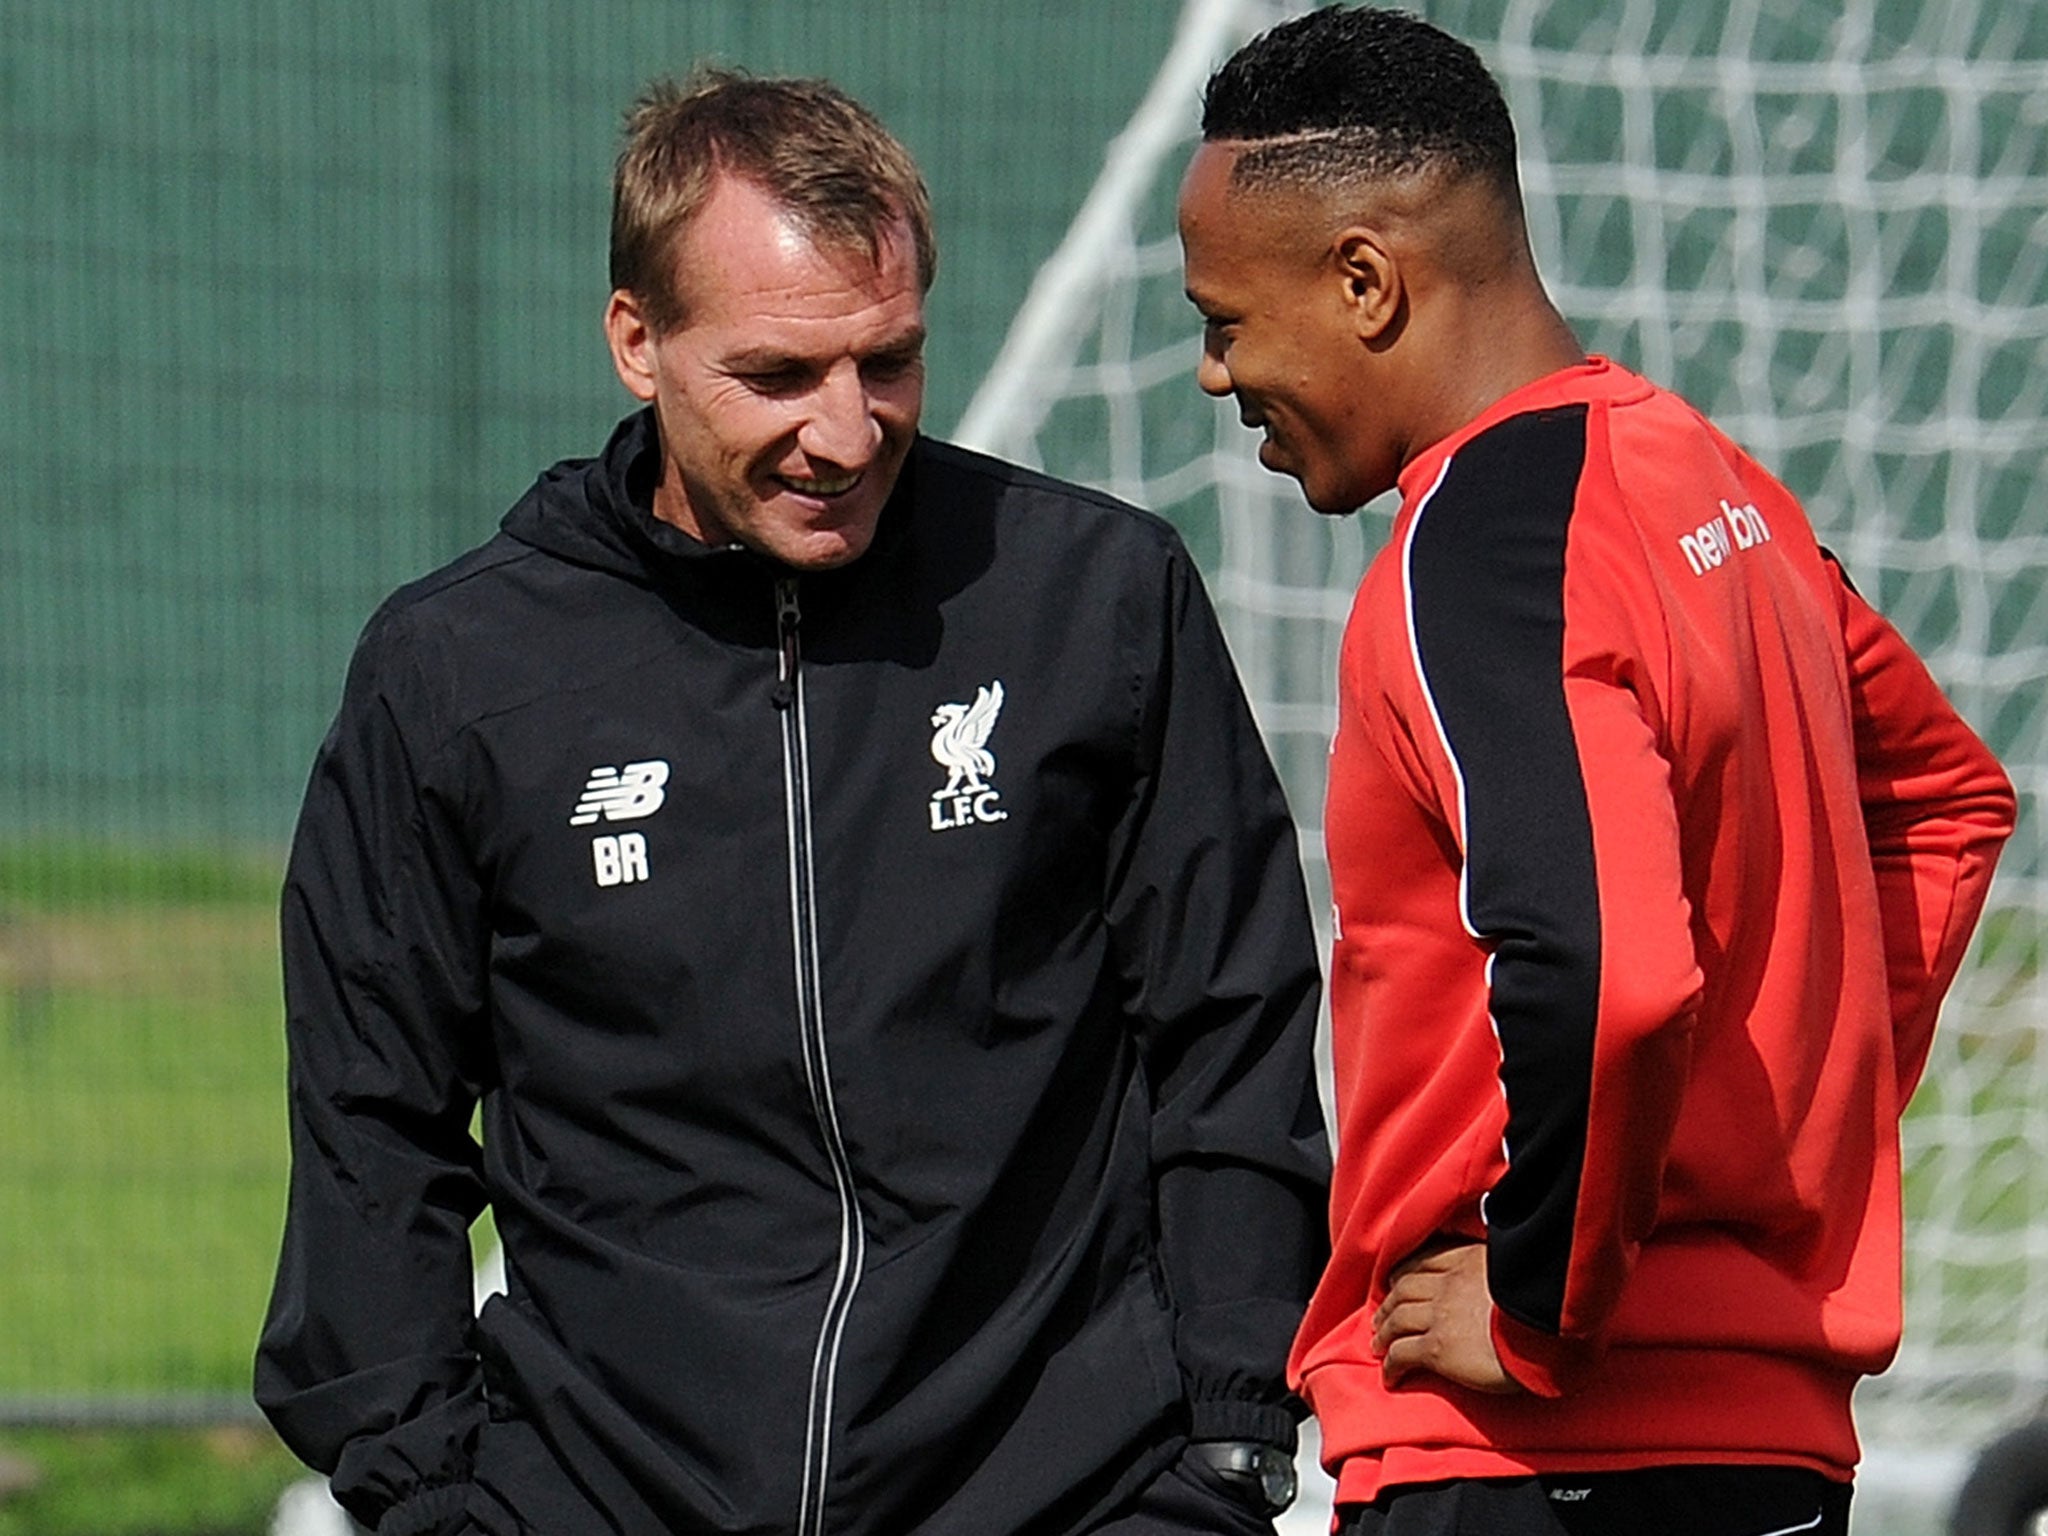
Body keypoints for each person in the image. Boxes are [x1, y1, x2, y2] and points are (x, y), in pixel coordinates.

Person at [256, 68, 1331, 1536]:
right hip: (608, 1496)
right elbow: (370, 1127)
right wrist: (431, 1495)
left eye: (887, 362)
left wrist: (1225, 1435)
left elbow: (1231, 1026)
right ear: (637, 340)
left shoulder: (1093, 603)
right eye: (777, 376)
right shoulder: (459, 676)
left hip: (1067, 1494)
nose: (845, 432)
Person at [1176, 9, 2016, 1536]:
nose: (1213, 374)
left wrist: (1540, 1305)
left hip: (1522, 1456)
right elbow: (1948, 804)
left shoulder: (1481, 553)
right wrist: (1764, 1145)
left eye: (1226, 321)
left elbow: (1609, 964)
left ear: (1364, 282)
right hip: (1767, 1447)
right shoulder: (1718, 488)